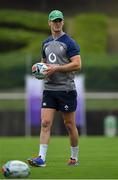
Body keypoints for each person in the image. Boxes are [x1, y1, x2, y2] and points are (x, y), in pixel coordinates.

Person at [28, 10, 81, 167]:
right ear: (49, 23)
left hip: (66, 89)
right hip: (49, 89)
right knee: (45, 122)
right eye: (54, 21)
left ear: (63, 22)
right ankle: (41, 158)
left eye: (59, 20)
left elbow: (77, 64)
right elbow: (44, 64)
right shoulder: (45, 43)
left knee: (70, 125)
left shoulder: (70, 43)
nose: (57, 23)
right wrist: (38, 70)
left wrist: (56, 68)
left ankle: (74, 157)